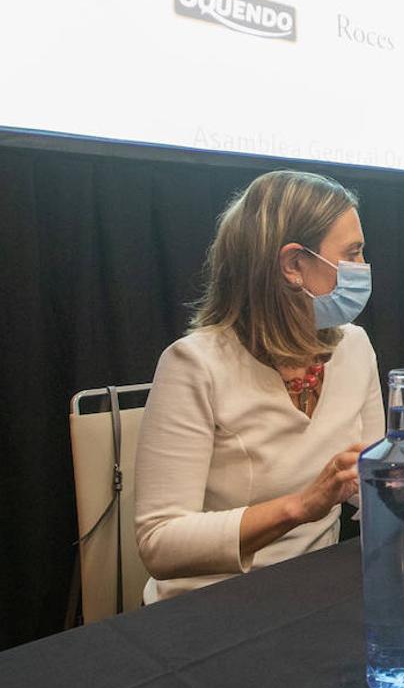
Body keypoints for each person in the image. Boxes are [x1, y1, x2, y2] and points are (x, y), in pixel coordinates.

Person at [135, 170, 385, 602]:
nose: (362, 269)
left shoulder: (355, 346)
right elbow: (160, 542)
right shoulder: (195, 364)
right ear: (293, 265)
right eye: (353, 253)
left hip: (314, 590)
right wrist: (301, 506)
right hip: (212, 603)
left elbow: (369, 483)